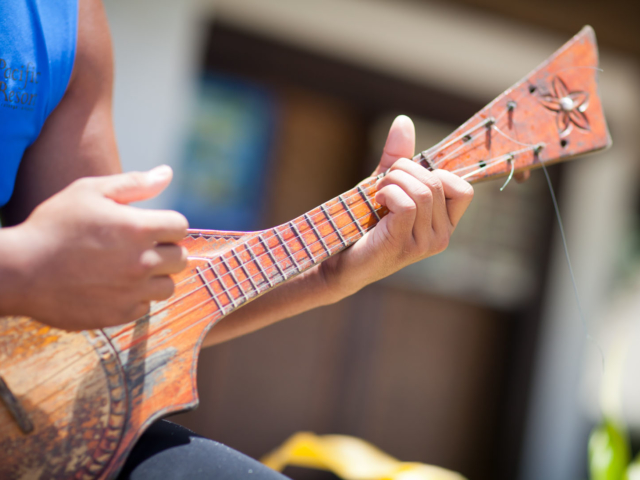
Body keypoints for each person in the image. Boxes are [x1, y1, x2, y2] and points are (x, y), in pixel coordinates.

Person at [0, 1, 474, 479]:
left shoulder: (66, 16)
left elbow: (112, 321)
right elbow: (40, 267)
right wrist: (20, 266)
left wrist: (329, 275)